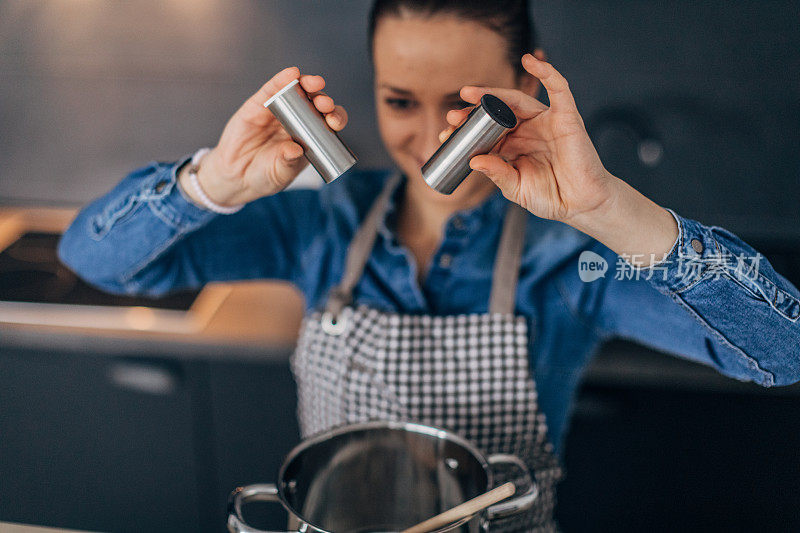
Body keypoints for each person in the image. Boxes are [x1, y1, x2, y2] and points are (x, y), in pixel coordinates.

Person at [58, 0, 800, 530]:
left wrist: (607, 208)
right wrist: (210, 182)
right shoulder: (320, 220)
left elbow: (783, 352)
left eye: (463, 103)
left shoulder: (569, 259)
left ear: (518, 94)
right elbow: (95, 259)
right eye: (399, 99)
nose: (425, 137)